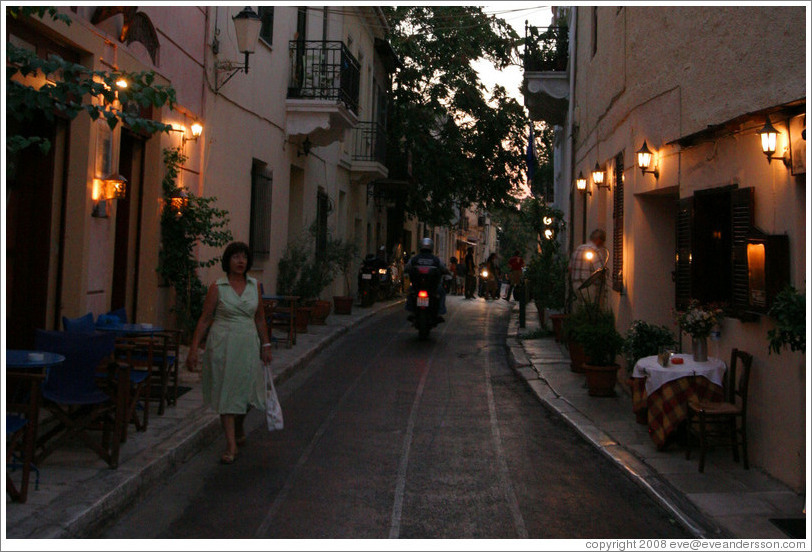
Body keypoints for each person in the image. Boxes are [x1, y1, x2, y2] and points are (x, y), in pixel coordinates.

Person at [186, 242, 272, 465]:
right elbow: (205, 319)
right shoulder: (218, 287)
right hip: (223, 344)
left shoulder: (255, 286)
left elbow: (260, 318)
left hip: (247, 344)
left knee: (248, 392)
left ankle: (240, 424)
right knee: (227, 390)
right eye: (236, 257)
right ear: (228, 260)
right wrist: (194, 347)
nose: (240, 261)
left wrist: (266, 345)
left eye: (244, 257)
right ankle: (231, 445)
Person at [405, 237, 449, 320]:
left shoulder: (415, 259)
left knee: (410, 291)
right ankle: (440, 310)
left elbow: (407, 267)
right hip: (432, 287)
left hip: (417, 286)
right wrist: (447, 273)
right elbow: (444, 268)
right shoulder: (436, 260)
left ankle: (410, 309)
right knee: (442, 292)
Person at [569, 229, 609, 306]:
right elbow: (600, 271)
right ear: (599, 240)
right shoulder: (594, 251)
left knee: (580, 309)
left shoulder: (578, 249)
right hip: (588, 286)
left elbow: (570, 268)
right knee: (589, 309)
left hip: (576, 285)